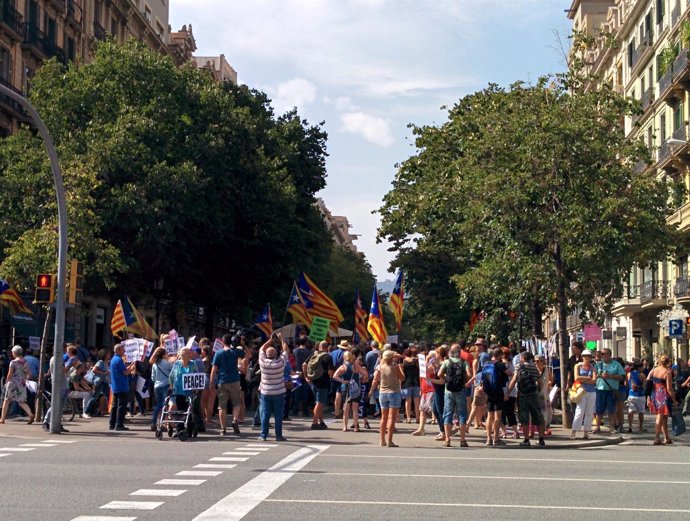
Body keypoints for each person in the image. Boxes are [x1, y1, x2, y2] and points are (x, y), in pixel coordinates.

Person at [210, 333, 245, 436]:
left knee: (222, 406)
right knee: (236, 403)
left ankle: (223, 428)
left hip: (223, 381)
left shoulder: (218, 353)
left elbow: (214, 370)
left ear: (222, 342)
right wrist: (242, 344)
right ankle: (234, 420)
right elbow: (247, 354)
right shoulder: (235, 351)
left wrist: (212, 383)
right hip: (235, 380)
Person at [509, 351, 545, 447]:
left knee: (524, 417)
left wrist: (508, 392)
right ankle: (541, 439)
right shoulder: (535, 368)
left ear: (523, 358)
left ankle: (526, 440)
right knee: (538, 416)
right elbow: (540, 382)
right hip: (534, 395)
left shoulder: (519, 367)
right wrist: (541, 393)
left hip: (523, 395)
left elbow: (514, 380)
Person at [438, 343, 471, 448]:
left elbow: (439, 374)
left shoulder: (446, 362)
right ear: (460, 352)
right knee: (462, 415)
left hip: (448, 391)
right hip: (461, 391)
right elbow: (469, 375)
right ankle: (462, 440)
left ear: (451, 352)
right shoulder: (464, 362)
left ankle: (447, 440)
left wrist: (446, 379)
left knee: (448, 414)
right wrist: (464, 380)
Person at [369, 349, 404, 447]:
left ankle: (382, 440)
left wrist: (371, 390)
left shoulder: (380, 367)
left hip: (383, 393)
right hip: (394, 392)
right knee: (391, 418)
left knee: (383, 417)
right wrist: (401, 368)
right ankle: (389, 441)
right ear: (391, 358)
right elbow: (402, 378)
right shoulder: (395, 367)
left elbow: (375, 380)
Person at [257, 332, 289, 442]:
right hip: (278, 392)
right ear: (275, 354)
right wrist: (282, 339)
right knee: (278, 415)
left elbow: (261, 349)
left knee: (265, 414)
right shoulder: (280, 363)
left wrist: (269, 341)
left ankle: (263, 435)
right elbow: (286, 351)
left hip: (265, 392)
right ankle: (278, 436)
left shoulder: (262, 362)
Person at [479, 348, 510, 446]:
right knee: (498, 415)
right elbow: (510, 373)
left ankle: (488, 439)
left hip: (489, 393)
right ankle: (496, 438)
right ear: (500, 355)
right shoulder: (500, 365)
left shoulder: (486, 364)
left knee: (490, 415)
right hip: (498, 392)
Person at [333, 350, 368, 432]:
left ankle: (345, 426)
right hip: (356, 388)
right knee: (355, 409)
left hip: (346, 388)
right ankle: (356, 427)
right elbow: (365, 374)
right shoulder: (356, 366)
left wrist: (343, 381)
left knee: (346, 408)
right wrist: (362, 379)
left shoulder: (343, 367)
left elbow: (335, 376)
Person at [303, 340, 334, 430]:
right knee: (320, 403)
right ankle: (314, 423)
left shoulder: (314, 354)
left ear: (319, 347)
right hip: (323, 382)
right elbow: (330, 371)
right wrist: (332, 377)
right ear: (327, 347)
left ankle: (321, 422)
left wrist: (306, 376)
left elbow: (304, 364)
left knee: (318, 402)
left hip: (313, 381)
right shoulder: (327, 357)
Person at [593, 348, 625, 434]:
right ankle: (597, 427)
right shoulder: (598, 364)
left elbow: (622, 377)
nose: (603, 356)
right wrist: (600, 375)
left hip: (611, 390)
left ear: (609, 354)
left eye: (605, 353)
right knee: (599, 410)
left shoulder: (616, 364)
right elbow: (593, 376)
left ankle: (611, 427)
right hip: (600, 389)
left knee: (611, 410)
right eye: (602, 354)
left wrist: (610, 376)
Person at [0, 346, 35, 424]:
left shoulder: (13, 362)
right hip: (21, 383)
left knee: (7, 400)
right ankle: (30, 414)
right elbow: (29, 374)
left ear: (14, 353)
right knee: (21, 401)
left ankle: (2, 419)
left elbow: (10, 374)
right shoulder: (25, 361)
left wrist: (6, 382)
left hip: (13, 383)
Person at [648, 354, 676, 445]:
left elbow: (648, 380)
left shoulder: (654, 370)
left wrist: (648, 395)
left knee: (663, 416)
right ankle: (656, 438)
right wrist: (674, 400)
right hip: (663, 395)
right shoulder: (667, 372)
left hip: (655, 393)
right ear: (668, 362)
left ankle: (666, 437)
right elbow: (669, 388)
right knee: (660, 416)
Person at [109, 343, 137, 431]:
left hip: (116, 385)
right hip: (121, 385)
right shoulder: (119, 360)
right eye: (123, 350)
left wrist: (130, 366)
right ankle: (119, 424)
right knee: (121, 406)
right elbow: (125, 372)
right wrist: (132, 368)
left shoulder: (114, 359)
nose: (124, 351)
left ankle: (112, 423)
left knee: (115, 405)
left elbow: (123, 370)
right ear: (118, 350)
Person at [570, 349, 597, 439]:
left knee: (589, 413)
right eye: (585, 356)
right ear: (582, 357)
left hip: (591, 392)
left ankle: (586, 432)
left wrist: (583, 379)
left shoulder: (593, 367)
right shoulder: (577, 366)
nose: (587, 358)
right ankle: (574, 432)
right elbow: (576, 378)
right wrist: (588, 378)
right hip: (581, 391)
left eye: (589, 356)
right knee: (579, 412)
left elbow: (594, 381)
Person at [149, 346, 172, 431]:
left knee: (158, 405)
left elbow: (153, 378)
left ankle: (153, 422)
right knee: (164, 405)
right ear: (163, 354)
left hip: (157, 386)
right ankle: (163, 423)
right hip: (166, 385)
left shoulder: (155, 364)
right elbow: (173, 373)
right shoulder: (167, 363)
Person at [401, 346, 421, 423]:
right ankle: (417, 418)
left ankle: (408, 418)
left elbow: (403, 374)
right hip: (416, 383)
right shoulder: (416, 361)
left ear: (405, 354)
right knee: (416, 401)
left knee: (408, 401)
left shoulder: (404, 362)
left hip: (407, 383)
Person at [330, 340, 349, 418]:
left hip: (333, 374)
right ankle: (337, 411)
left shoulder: (333, 353)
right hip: (342, 375)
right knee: (339, 393)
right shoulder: (346, 354)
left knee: (337, 393)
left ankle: (337, 410)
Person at [626, 360, 647, 433]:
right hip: (640, 395)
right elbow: (644, 386)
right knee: (641, 412)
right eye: (642, 367)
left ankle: (630, 426)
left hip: (631, 395)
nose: (643, 368)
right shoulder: (642, 375)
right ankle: (640, 427)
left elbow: (626, 384)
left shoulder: (629, 374)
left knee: (630, 411)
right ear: (638, 367)